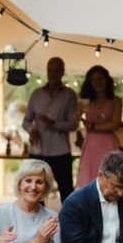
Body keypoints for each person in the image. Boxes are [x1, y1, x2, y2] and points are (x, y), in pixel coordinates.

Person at [23, 57, 79, 200]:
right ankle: (36, 221)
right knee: (34, 192)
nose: (53, 74)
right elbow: (26, 121)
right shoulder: (36, 94)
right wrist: (32, 130)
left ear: (62, 72)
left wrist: (53, 124)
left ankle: (67, 221)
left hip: (60, 151)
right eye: (50, 70)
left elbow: (73, 124)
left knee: (66, 190)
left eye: (56, 71)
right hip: (38, 151)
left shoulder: (69, 95)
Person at [75, 65, 122, 188]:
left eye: (100, 78)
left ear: (107, 80)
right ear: (89, 83)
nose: (97, 82)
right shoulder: (86, 102)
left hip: (108, 143)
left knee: (112, 176)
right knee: (90, 177)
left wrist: (93, 126)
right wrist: (78, 113)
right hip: (91, 143)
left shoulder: (116, 101)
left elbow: (115, 124)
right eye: (93, 80)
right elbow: (75, 121)